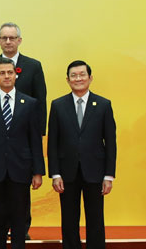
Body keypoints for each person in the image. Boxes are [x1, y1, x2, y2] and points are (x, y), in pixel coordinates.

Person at [0, 22, 47, 239]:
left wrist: (36, 162)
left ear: (19, 40)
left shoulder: (33, 66)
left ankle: (22, 231)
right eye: (4, 38)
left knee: (20, 204)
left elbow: (40, 104)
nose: (8, 41)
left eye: (12, 38)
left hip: (22, 149)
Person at [48, 60, 116, 249]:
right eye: (74, 76)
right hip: (66, 172)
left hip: (95, 171)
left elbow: (110, 143)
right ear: (68, 80)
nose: (78, 78)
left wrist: (108, 175)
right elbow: (52, 143)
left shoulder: (103, 105)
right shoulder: (58, 105)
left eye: (82, 74)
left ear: (90, 78)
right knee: (69, 219)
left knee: (95, 218)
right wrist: (55, 174)